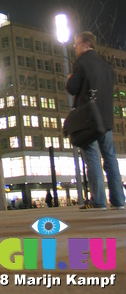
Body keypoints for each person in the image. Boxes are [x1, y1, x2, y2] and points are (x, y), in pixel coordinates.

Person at [66, 31, 125, 211]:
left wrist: (70, 79)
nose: (75, 48)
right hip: (105, 119)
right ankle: (119, 200)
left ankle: (99, 200)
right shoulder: (106, 67)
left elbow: (72, 88)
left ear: (85, 44)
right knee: (110, 158)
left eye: (76, 45)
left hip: (88, 119)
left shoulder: (81, 63)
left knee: (91, 157)